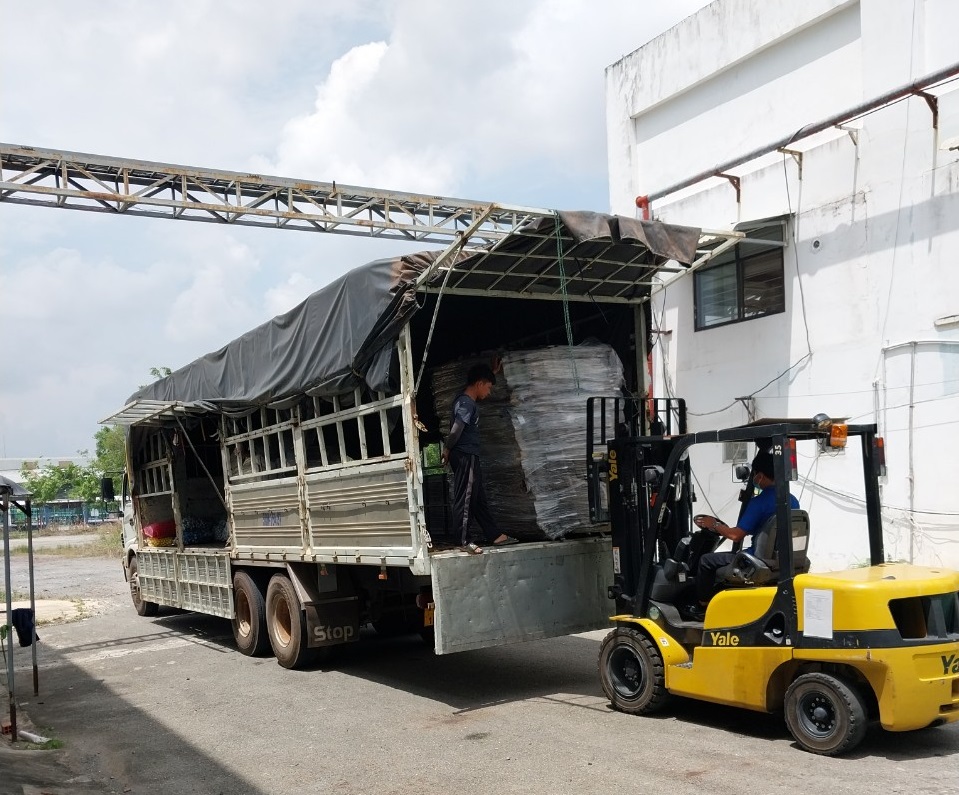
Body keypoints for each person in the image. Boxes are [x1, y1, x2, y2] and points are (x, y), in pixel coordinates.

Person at [684, 449, 799, 621]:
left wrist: (713, 524)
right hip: (779, 557)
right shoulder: (791, 499)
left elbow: (735, 536)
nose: (755, 479)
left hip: (757, 558)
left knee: (706, 561)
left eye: (755, 475)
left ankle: (702, 607)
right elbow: (766, 528)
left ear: (760, 475)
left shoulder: (759, 502)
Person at [441, 361, 519, 554]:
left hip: (470, 455)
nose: (489, 392)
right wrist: (447, 449)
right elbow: (457, 428)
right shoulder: (466, 403)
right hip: (465, 454)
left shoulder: (466, 399)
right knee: (466, 498)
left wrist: (490, 372)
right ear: (480, 383)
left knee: (477, 498)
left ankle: (494, 535)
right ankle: (463, 540)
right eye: (489, 387)